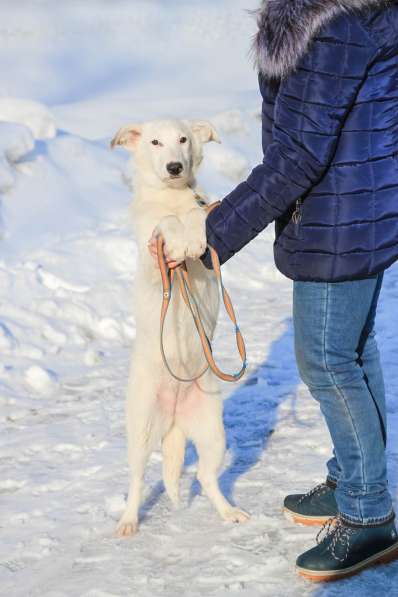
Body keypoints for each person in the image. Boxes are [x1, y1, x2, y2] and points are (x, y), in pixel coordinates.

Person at [149, 0, 398, 581]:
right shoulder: (352, 17)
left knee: (329, 362)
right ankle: (353, 480)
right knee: (354, 352)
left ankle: (369, 515)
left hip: (340, 215)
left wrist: (213, 233)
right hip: (358, 206)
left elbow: (299, 152)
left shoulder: (334, 25)